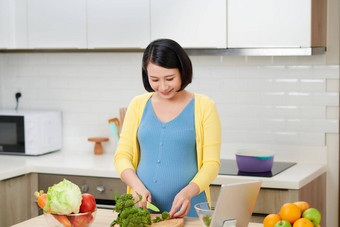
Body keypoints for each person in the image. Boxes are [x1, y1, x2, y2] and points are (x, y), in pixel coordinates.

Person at [114, 39, 221, 218]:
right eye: (154, 79)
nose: (162, 87)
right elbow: (122, 156)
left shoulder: (204, 106)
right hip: (141, 210)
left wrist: (187, 192)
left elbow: (211, 165)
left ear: (182, 71)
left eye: (169, 78)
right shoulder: (138, 104)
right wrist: (137, 187)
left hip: (189, 210)